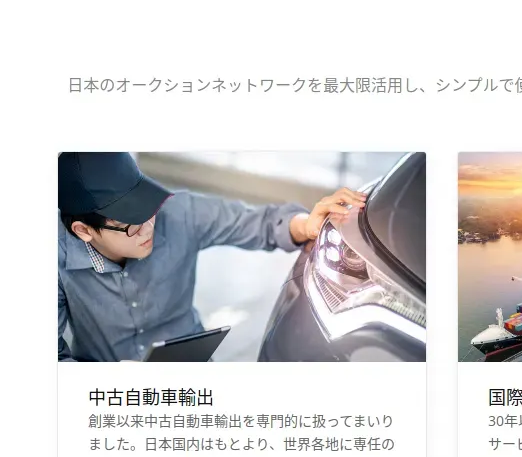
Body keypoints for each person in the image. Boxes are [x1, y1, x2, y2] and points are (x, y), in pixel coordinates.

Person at [57, 149, 367, 360]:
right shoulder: (56, 261)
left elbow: (259, 223)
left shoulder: (178, 212)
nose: (149, 226)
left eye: (147, 208)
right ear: (84, 230)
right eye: (133, 226)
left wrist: (306, 224)